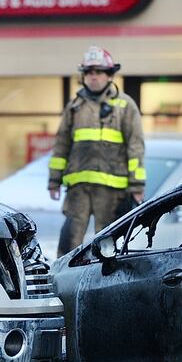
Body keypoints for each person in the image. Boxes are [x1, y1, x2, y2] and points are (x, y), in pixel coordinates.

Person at [48, 46, 146, 257]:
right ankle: (64, 279)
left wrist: (136, 185)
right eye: (89, 72)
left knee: (108, 242)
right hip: (78, 189)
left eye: (99, 72)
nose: (93, 77)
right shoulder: (74, 107)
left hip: (112, 190)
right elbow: (62, 144)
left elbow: (135, 147)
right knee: (70, 241)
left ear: (110, 75)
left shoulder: (125, 106)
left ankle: (104, 282)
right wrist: (54, 180)